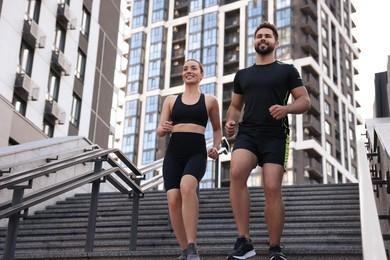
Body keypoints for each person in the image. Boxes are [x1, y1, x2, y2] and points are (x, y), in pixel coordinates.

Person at [225, 22, 311, 260]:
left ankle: (275, 248)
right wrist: (230, 123)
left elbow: (304, 101)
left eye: (267, 36)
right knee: (237, 170)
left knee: (272, 188)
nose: (262, 39)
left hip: (276, 135)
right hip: (248, 133)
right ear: (254, 42)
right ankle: (244, 241)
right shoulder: (242, 75)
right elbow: (234, 106)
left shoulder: (287, 70)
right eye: (259, 36)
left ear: (276, 42)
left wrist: (286, 109)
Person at [156, 59, 222, 260]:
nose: (188, 71)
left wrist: (216, 147)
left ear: (202, 74)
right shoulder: (170, 100)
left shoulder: (210, 100)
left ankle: (192, 245)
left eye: (193, 68)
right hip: (173, 154)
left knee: (187, 186)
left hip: (196, 153)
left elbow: (218, 129)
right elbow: (159, 130)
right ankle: (185, 250)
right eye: (185, 69)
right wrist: (164, 129)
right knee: (173, 199)